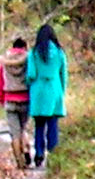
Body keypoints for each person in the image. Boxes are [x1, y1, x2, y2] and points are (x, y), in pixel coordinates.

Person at [26, 20, 69, 169]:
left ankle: (38, 154)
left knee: (39, 126)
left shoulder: (34, 53)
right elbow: (64, 75)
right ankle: (54, 154)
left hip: (38, 91)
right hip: (55, 89)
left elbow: (31, 74)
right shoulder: (59, 52)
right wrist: (61, 91)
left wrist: (29, 83)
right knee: (53, 125)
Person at [0, 35, 31, 165]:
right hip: (25, 98)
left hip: (10, 99)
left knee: (14, 132)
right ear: (24, 47)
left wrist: (1, 98)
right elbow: (32, 77)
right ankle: (26, 150)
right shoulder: (28, 59)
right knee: (23, 128)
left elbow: (0, 81)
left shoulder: (4, 61)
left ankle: (19, 161)